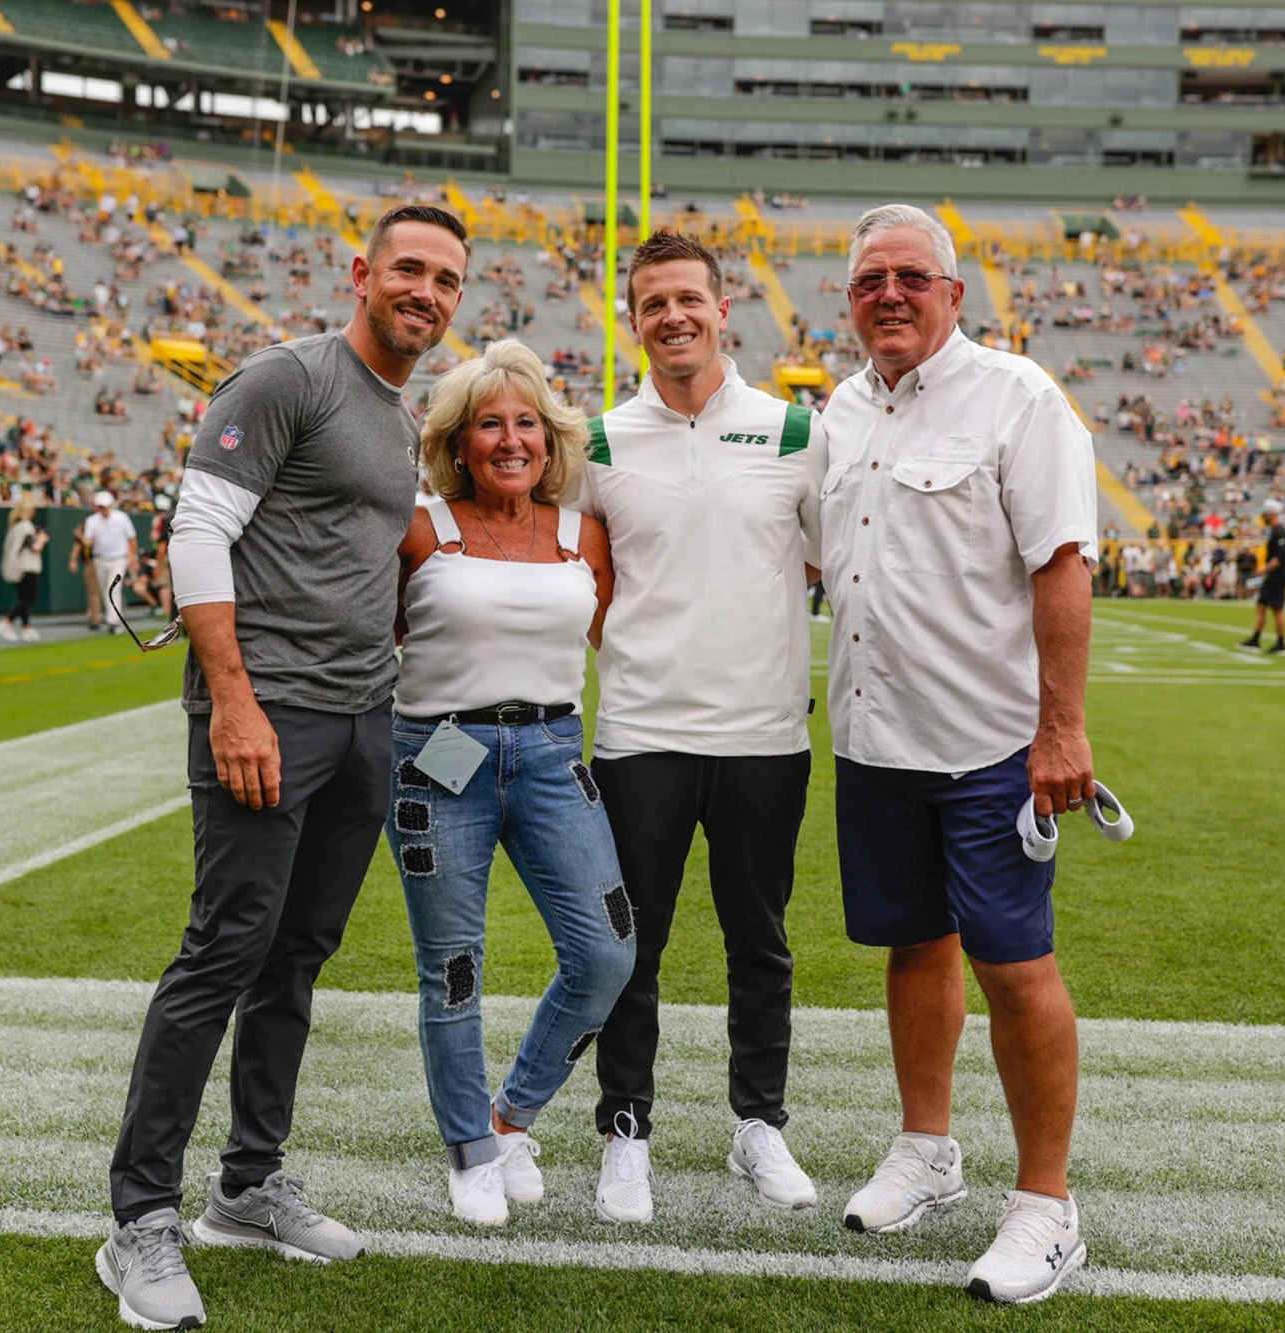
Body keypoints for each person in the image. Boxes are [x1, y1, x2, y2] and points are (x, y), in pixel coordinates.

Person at [100, 202, 469, 1331]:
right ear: (361, 273)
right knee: (224, 948)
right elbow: (197, 531)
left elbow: (390, 541)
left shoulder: (395, 416)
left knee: (296, 954)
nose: (426, 289)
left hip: (363, 714)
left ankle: (248, 1184)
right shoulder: (286, 379)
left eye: (446, 278)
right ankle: (138, 1220)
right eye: (408, 268)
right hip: (272, 710)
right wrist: (234, 702)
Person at [818, 204, 1099, 1304]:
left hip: (987, 743)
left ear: (952, 293)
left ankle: (1045, 1205)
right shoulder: (839, 410)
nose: (887, 294)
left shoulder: (1018, 397)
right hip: (875, 737)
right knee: (910, 945)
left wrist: (1061, 726)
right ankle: (926, 1148)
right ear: (848, 299)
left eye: (910, 277)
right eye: (867, 279)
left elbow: (1059, 565)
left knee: (1014, 965)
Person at [577, 230, 827, 1224]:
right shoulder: (596, 441)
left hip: (764, 734)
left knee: (758, 939)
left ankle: (757, 1122)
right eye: (651, 303)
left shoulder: (794, 431)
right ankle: (623, 1127)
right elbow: (582, 581)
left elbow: (837, 564)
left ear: (724, 310)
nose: (671, 315)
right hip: (639, 733)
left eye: (688, 297)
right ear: (631, 321)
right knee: (629, 944)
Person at [380, 339, 631, 1225]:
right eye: (490, 423)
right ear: (457, 439)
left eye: (527, 422)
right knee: (452, 968)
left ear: (551, 438)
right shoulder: (422, 526)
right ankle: (469, 1150)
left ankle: (511, 1116)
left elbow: (621, 645)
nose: (511, 439)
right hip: (438, 757)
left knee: (606, 953)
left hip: (554, 752)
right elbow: (370, 636)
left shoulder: (581, 534)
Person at [72, 491, 137, 633]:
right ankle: (111, 619)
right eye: (101, 506)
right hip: (100, 559)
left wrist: (132, 557)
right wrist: (82, 538)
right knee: (104, 590)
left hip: (119, 559)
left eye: (105, 506)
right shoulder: (92, 521)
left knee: (113, 589)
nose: (103, 509)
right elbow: (88, 541)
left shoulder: (122, 518)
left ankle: (113, 622)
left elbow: (131, 539)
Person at [1239, 498, 1285, 656]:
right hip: (1273, 576)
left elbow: (1281, 557)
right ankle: (1255, 640)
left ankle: (1281, 643)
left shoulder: (1279, 532)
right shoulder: (1275, 531)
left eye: (1266, 514)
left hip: (1277, 576)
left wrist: (1265, 569)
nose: (1264, 517)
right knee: (1261, 606)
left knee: (1277, 609)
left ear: (1272, 514)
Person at [0, 497, 49, 643]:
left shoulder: (17, 527)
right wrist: (42, 538)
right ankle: (7, 622)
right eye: (32, 508)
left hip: (19, 567)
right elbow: (35, 548)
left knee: (23, 598)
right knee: (28, 599)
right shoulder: (25, 527)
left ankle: (27, 628)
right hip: (27, 567)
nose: (34, 511)